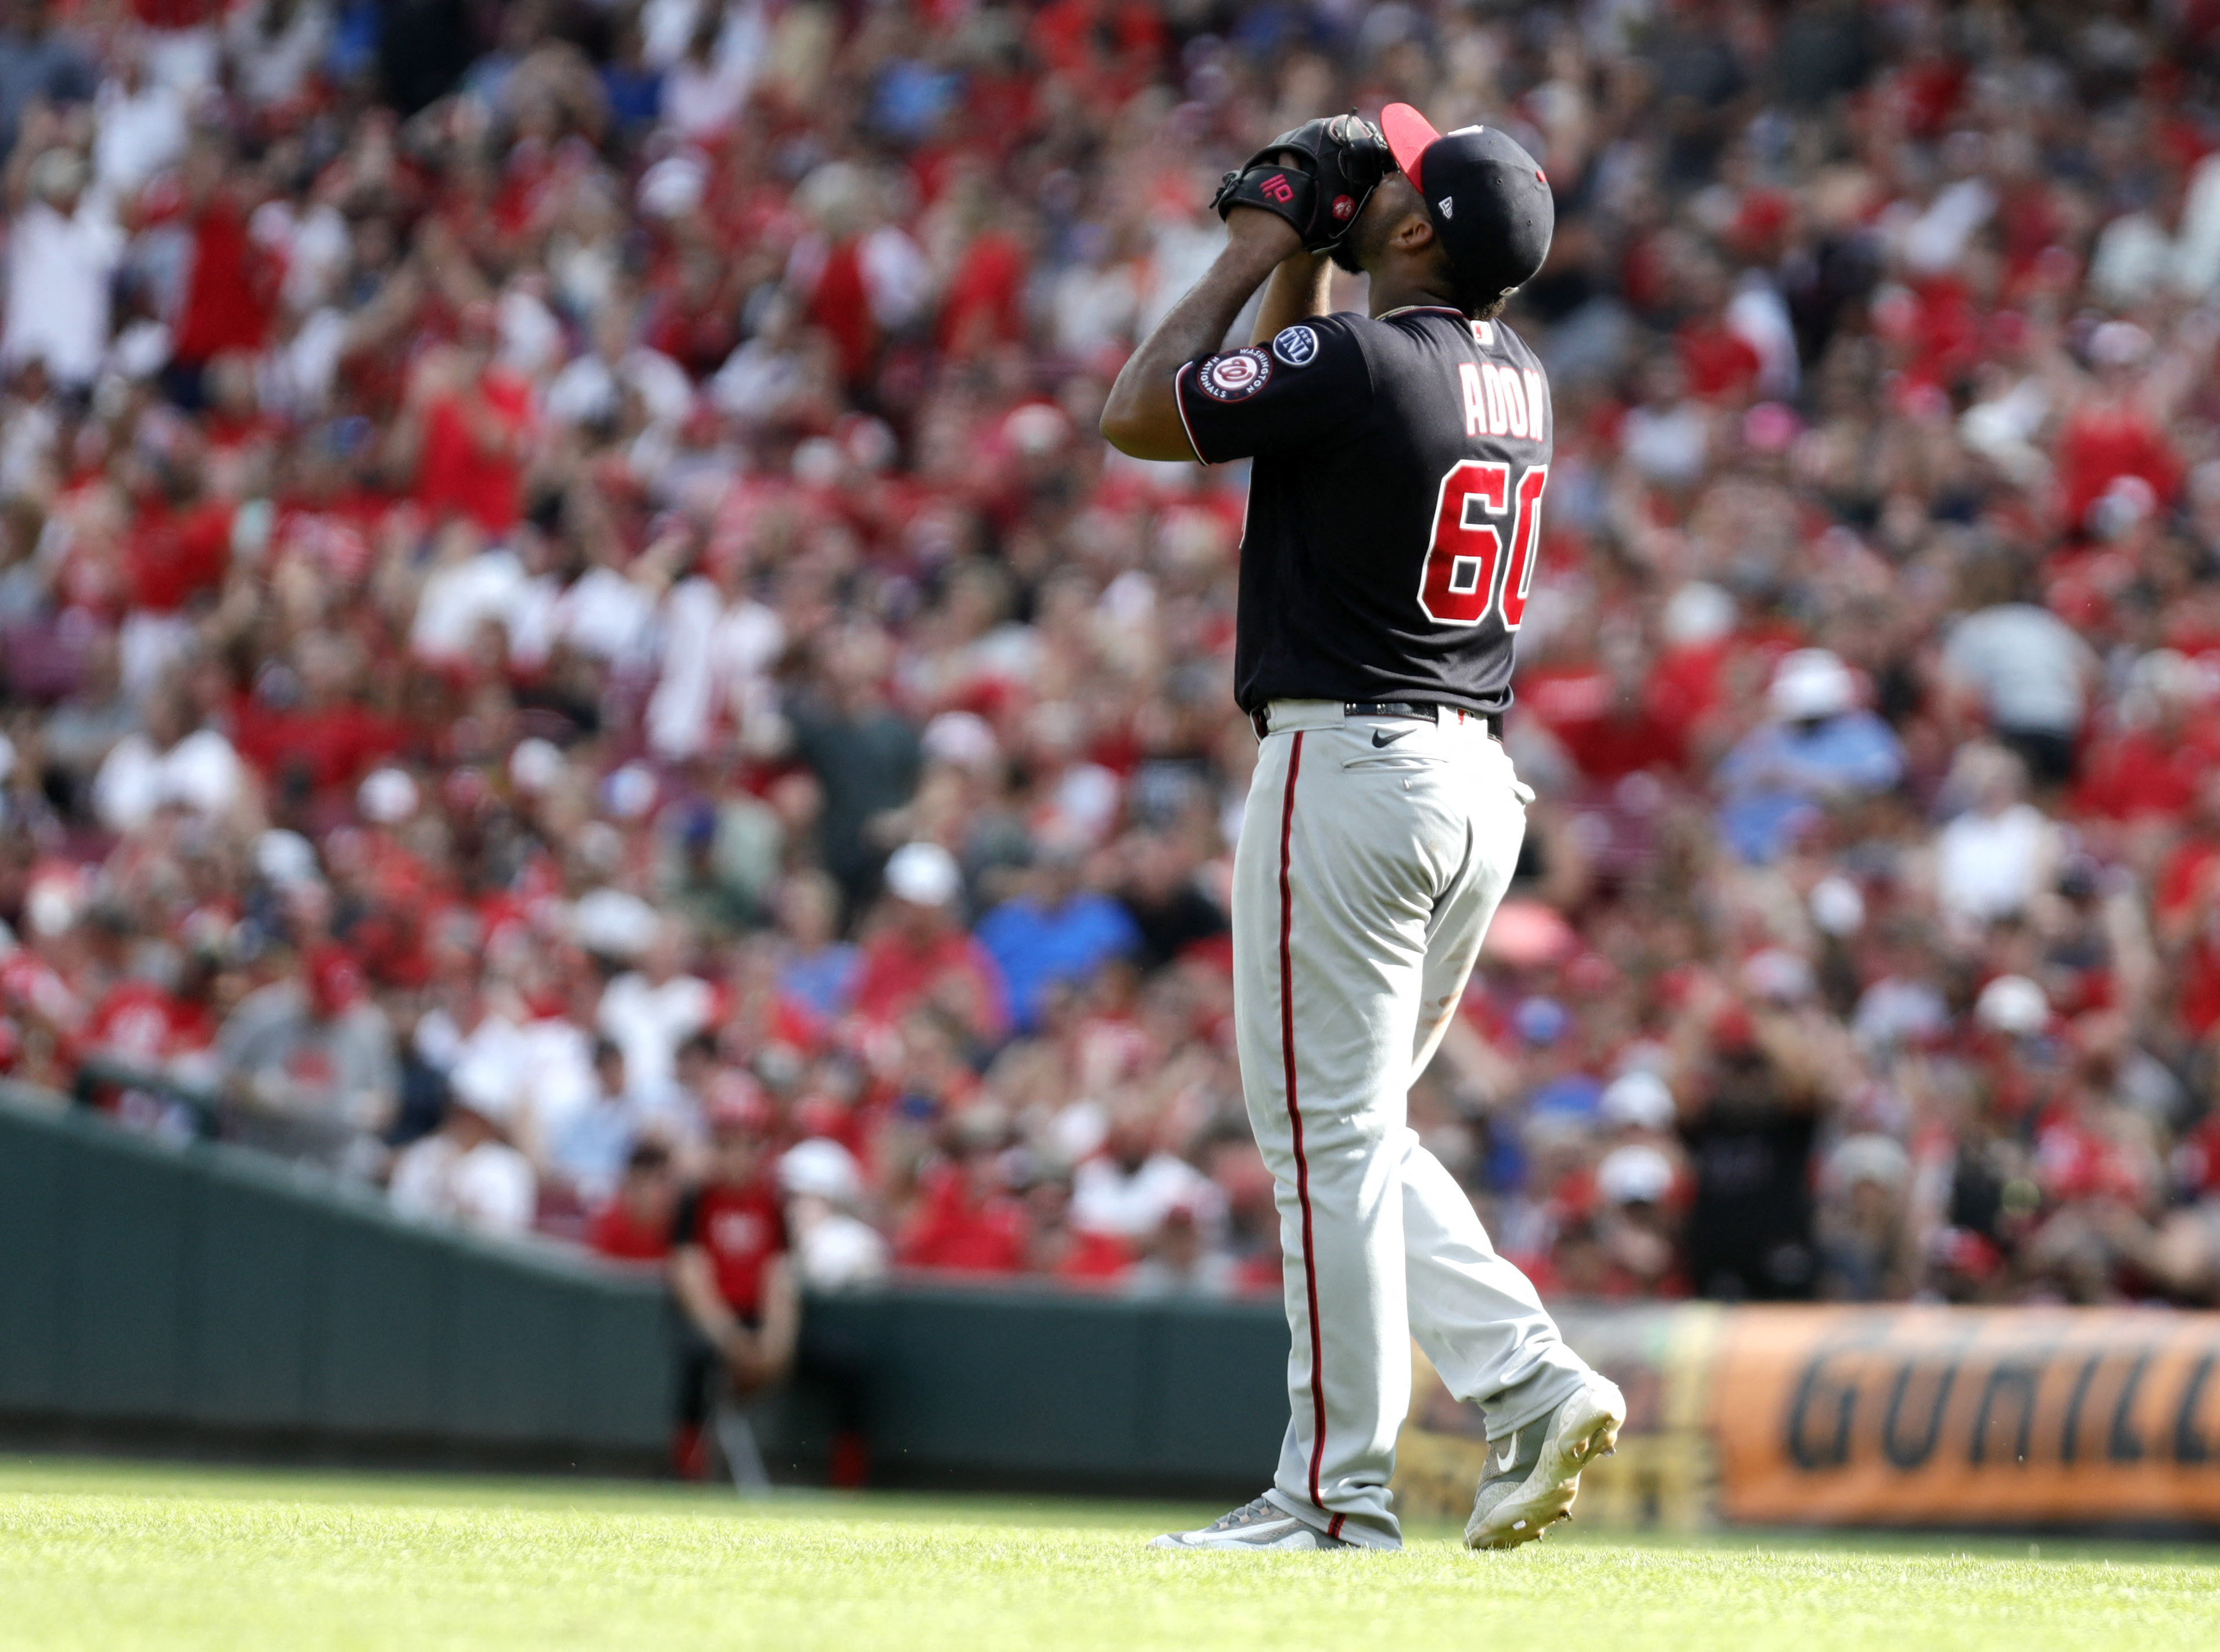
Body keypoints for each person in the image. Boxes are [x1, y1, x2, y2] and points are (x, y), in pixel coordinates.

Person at [1100, 108, 1623, 1553]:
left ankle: (1331, 1494)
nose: (1359, 179)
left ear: (1407, 234)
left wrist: (1258, 245)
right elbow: (1308, 385)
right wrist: (1316, 272)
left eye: (1383, 178)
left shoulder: (1357, 358)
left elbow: (1141, 410)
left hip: (1348, 767)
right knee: (1361, 1136)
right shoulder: (1506, 372)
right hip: (1469, 785)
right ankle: (1523, 1376)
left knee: (1321, 1143)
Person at [668, 1097, 799, 1486]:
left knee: (847, 1363)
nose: (736, 1156)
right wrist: (728, 1336)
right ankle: (688, 1472)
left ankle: (842, 1482)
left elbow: (779, 1276)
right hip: (712, 1321)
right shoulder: (697, 1198)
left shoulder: (772, 1200)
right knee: (694, 1359)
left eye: (745, 1144)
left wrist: (776, 1340)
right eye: (725, 1144)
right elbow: (690, 1276)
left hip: (758, 1318)